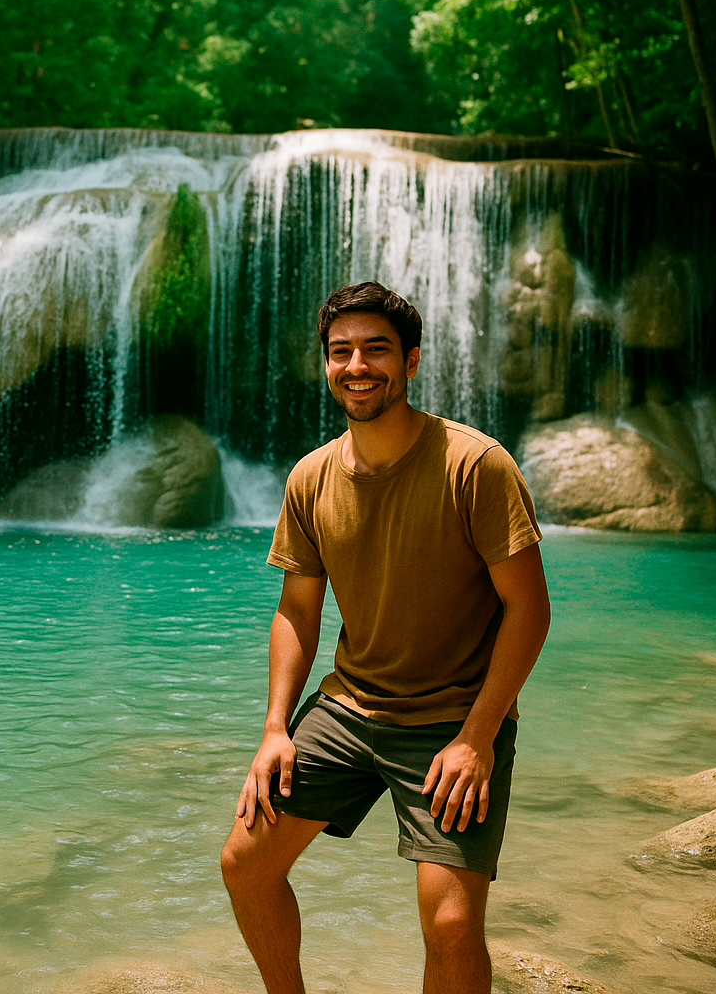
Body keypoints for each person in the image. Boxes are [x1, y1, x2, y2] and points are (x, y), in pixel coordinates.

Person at [219, 282, 551, 994]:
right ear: (326, 365)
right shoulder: (310, 478)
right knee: (245, 863)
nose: (357, 365)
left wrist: (478, 737)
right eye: (341, 352)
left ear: (411, 361)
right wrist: (275, 726)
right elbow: (296, 613)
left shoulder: (476, 464)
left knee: (454, 926)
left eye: (376, 350)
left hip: (454, 717)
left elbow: (529, 610)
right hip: (349, 708)